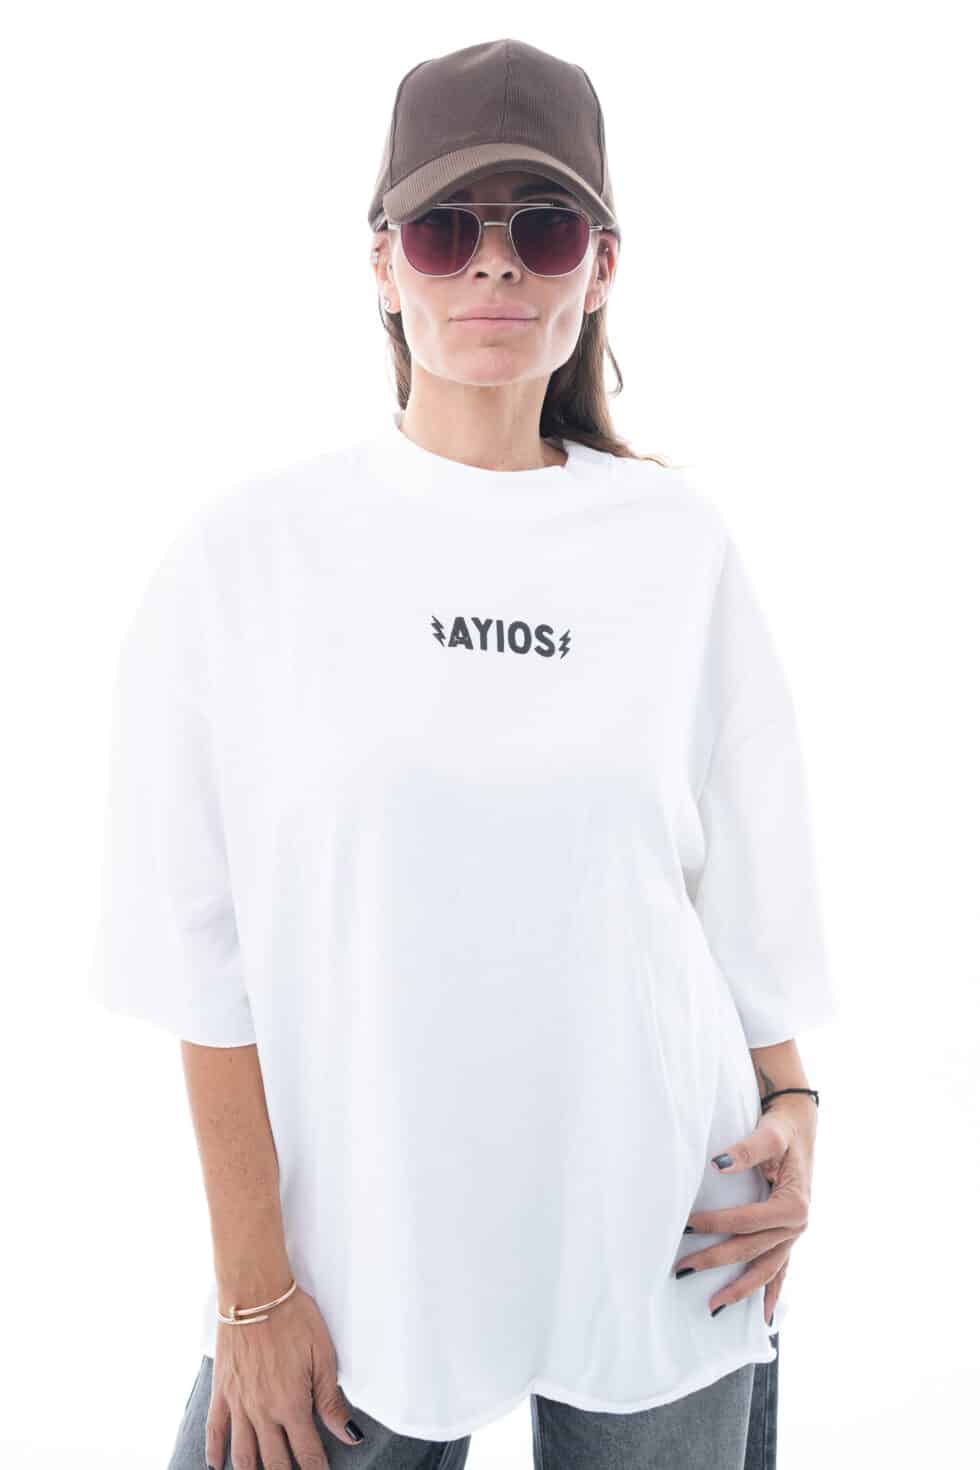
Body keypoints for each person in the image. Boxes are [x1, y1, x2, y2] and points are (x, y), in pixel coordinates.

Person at [87, 38, 835, 1470]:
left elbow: (737, 893)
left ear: (598, 270)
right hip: (358, 1256)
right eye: (446, 227)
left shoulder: (677, 549)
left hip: (669, 1232)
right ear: (384, 264)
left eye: (541, 227)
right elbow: (200, 955)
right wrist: (251, 1288)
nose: (494, 263)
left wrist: (797, 1106)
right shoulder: (252, 556)